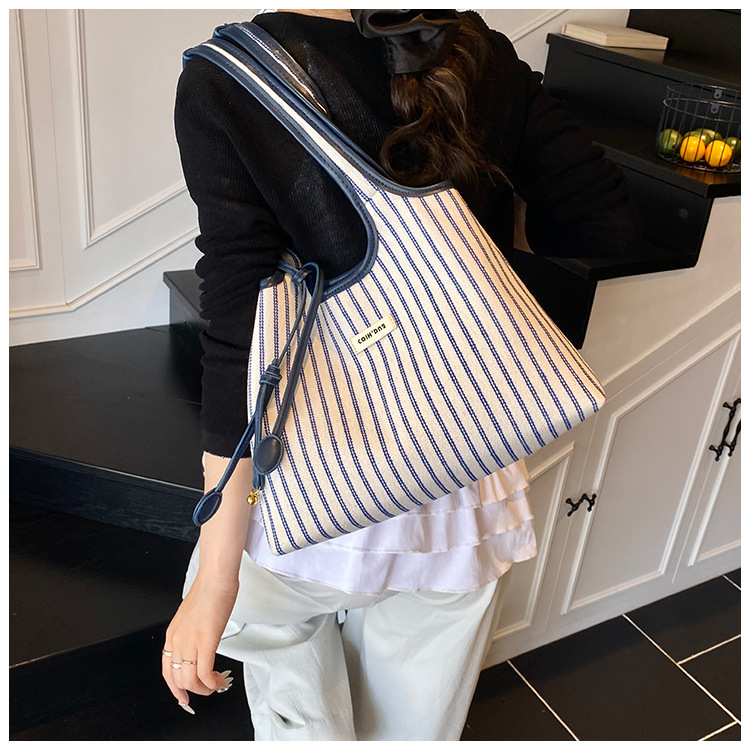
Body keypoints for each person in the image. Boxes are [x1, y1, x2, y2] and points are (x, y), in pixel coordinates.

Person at [163, 8, 641, 741]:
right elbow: (603, 221)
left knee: (294, 698)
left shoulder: (226, 79)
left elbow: (239, 325)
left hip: (317, 475)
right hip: (465, 476)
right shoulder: (475, 47)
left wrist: (215, 576)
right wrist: (468, 267)